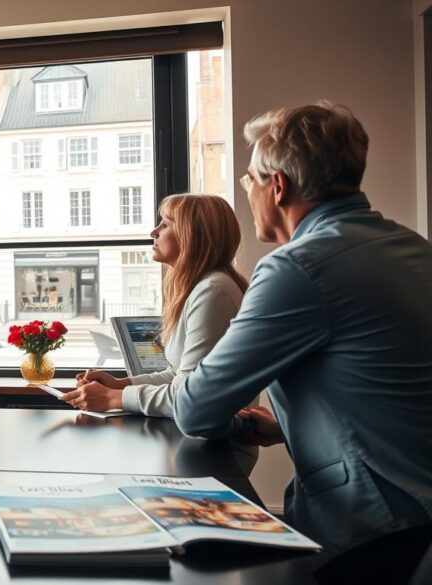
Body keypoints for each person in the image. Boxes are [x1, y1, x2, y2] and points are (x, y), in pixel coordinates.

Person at [172, 102, 432, 583]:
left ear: (278, 186)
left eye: (248, 179)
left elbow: (196, 409)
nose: (246, 192)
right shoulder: (412, 247)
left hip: (376, 532)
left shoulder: (297, 266)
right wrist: (288, 425)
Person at [60, 195, 254, 434]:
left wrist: (113, 398)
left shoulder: (213, 292)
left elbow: (186, 396)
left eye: (166, 224)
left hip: (218, 450)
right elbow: (177, 375)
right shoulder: (204, 289)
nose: (154, 231)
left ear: (192, 235)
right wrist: (121, 384)